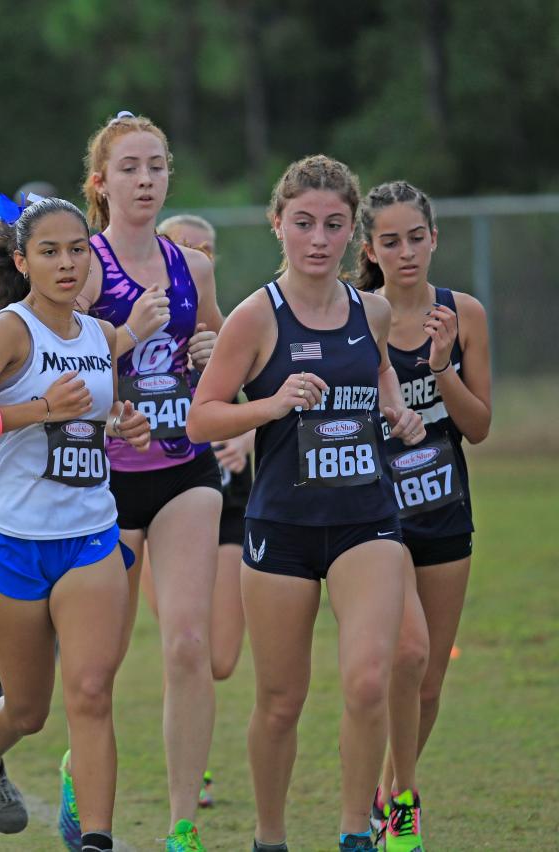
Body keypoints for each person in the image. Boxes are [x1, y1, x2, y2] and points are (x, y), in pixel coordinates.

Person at [186, 154, 427, 852]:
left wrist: (398, 413)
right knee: (281, 702)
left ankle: (356, 833)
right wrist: (271, 403)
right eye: (303, 224)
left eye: (333, 225)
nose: (317, 239)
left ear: (353, 233)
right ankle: (270, 836)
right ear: (277, 226)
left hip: (367, 521)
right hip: (281, 526)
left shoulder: (372, 311)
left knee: (369, 679)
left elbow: (379, 372)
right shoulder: (255, 318)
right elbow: (203, 418)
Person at [0, 187, 149, 852]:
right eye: (50, 251)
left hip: (89, 536)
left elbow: (94, 416)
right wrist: (36, 411)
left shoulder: (98, 335)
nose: (67, 263)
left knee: (92, 691)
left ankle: (96, 839)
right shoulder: (11, 330)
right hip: (12, 542)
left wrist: (121, 421)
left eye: (78, 250)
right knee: (28, 708)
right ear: (22, 261)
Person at [69, 111, 224, 852]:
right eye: (130, 167)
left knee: (190, 642)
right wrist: (108, 396)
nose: (146, 180)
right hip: (101, 482)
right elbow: (51, 360)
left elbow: (221, 355)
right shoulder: (86, 266)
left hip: (182, 470)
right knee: (98, 670)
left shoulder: (191, 265)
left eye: (157, 166)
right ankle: (81, 764)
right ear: (101, 182)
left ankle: (182, 827)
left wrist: (212, 344)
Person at [355, 181, 492, 851]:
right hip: (376, 516)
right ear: (370, 250)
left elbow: (480, 426)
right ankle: (405, 803)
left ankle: (387, 790)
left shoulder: (463, 313)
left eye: (416, 237)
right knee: (405, 654)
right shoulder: (355, 315)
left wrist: (441, 371)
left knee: (429, 675)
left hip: (443, 508)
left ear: (434, 238)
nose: (405, 252)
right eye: (390, 241)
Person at [155, 213, 255, 811]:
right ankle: (197, 777)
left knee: (219, 658)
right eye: (183, 247)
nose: (195, 255)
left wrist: (248, 439)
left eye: (205, 249)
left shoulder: (234, 328)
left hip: (230, 501)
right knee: (184, 646)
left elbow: (283, 404)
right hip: (160, 496)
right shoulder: (134, 320)